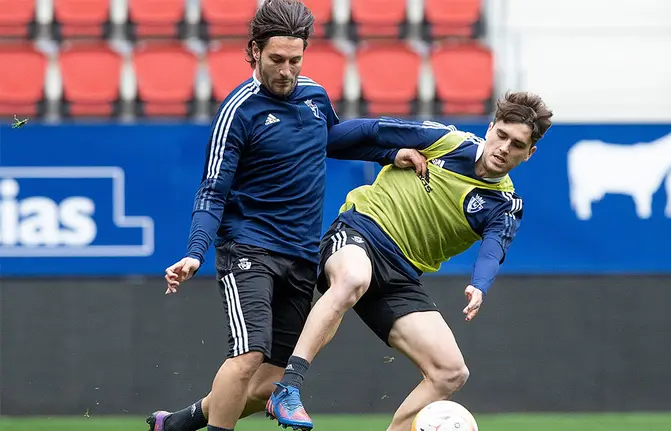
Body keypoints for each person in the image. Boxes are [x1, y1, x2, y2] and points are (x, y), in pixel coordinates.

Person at [145, 2, 425, 431]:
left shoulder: (313, 96)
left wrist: (393, 151)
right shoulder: (238, 111)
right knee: (249, 355)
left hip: (300, 256)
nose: (286, 70)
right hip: (249, 249)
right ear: (254, 52)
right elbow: (212, 190)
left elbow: (331, 139)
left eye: (295, 60)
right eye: (277, 60)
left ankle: (180, 423)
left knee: (267, 385)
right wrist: (195, 252)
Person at [266, 92, 554, 431]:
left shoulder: (504, 204)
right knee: (353, 278)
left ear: (529, 153)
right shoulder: (447, 141)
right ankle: (289, 387)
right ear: (490, 128)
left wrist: (479, 285)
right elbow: (372, 131)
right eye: (502, 135)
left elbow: (493, 248)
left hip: (401, 276)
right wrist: (386, 151)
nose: (504, 147)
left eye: (517, 144)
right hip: (361, 232)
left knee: (451, 372)